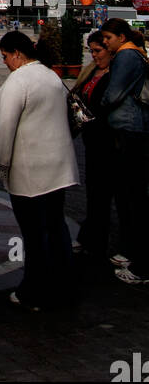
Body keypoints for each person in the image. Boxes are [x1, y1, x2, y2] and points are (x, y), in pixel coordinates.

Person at [0, 31, 78, 311]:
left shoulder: (19, 80)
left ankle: (34, 291)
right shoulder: (50, 75)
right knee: (56, 227)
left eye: (5, 56)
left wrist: (0, 165)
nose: (4, 62)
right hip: (58, 167)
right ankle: (64, 286)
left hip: (29, 170)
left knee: (33, 234)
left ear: (17, 53)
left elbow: (6, 128)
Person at [99, 18, 149, 284]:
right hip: (132, 127)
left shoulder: (127, 56)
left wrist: (99, 106)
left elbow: (115, 92)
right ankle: (133, 251)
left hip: (129, 128)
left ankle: (141, 262)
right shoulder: (133, 54)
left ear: (120, 36)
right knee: (132, 195)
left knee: (134, 196)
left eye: (107, 38)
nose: (105, 43)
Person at [72, 31, 113, 260]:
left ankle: (97, 239)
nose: (94, 56)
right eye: (91, 51)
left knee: (103, 192)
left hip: (107, 140)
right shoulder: (91, 71)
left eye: (98, 51)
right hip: (91, 140)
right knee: (95, 191)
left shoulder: (115, 74)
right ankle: (91, 235)